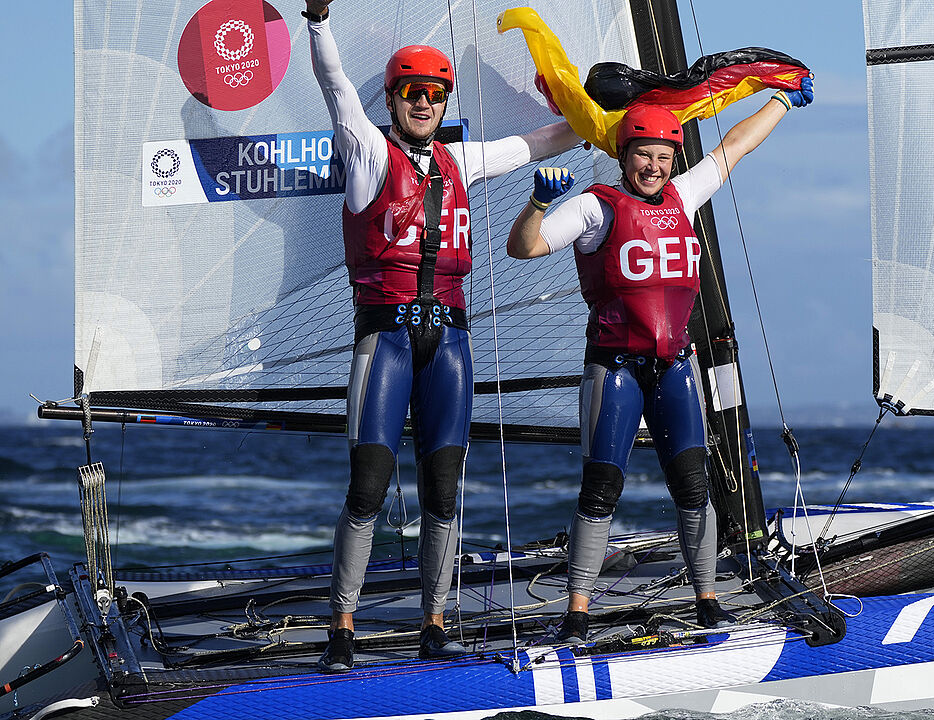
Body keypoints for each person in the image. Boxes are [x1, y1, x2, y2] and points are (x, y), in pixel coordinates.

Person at [303, 0, 581, 672]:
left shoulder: (463, 159)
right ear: (394, 99)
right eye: (412, 93)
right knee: (368, 486)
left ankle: (434, 621)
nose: (424, 103)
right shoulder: (368, 152)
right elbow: (336, 86)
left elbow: (545, 141)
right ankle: (340, 626)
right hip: (387, 341)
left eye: (434, 94)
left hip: (449, 346)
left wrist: (601, 115)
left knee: (444, 490)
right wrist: (315, 22)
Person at [506, 77, 814, 642]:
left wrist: (782, 100)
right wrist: (538, 203)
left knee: (693, 487)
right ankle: (576, 611)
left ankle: (707, 599)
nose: (654, 166)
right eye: (643, 155)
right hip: (615, 369)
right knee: (600, 489)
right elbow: (522, 247)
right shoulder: (594, 208)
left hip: (675, 366)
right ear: (623, 155)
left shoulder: (685, 195)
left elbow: (736, 146)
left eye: (664, 156)